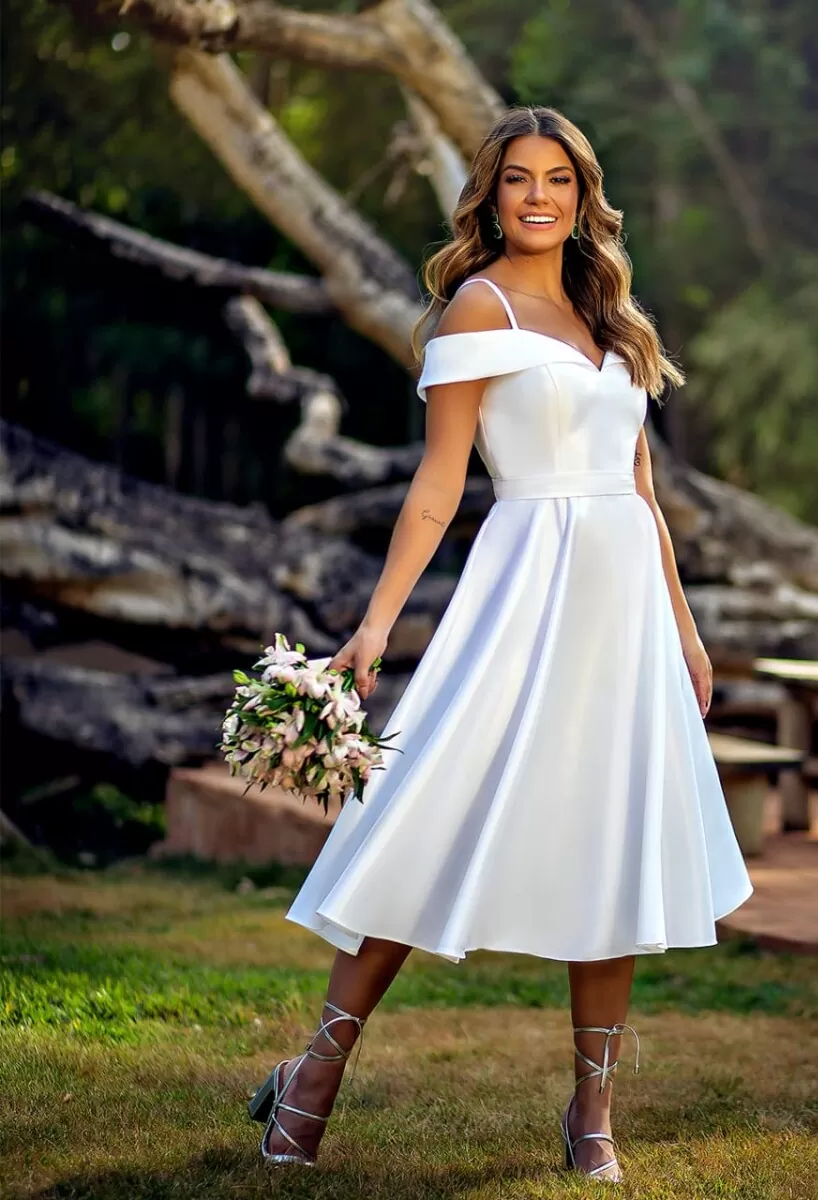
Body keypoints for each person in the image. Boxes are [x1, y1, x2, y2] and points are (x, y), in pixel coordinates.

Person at [250, 104, 753, 1184]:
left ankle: (594, 1116)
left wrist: (687, 629)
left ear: (583, 196)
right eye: (518, 178)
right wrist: (377, 623)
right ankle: (313, 1080)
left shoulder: (609, 308)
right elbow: (440, 486)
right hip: (528, 582)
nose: (538, 196)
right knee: (426, 816)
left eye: (559, 179)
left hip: (623, 601)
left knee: (614, 844)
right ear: (491, 194)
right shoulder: (473, 307)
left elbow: (641, 485)